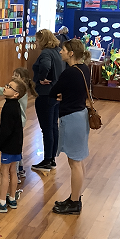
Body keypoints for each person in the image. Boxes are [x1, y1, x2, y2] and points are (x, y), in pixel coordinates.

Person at [49, 39, 91, 215]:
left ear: (71, 53)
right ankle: (76, 197)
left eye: (64, 49)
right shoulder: (85, 69)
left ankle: (74, 203)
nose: (61, 52)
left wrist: (60, 95)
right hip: (81, 115)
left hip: (72, 118)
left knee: (74, 162)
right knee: (78, 160)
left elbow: (53, 91)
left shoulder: (69, 72)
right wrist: (64, 95)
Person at [0, 77, 27, 213]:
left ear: (16, 94)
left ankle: (2, 202)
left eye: (9, 87)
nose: (5, 87)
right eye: (7, 85)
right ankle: (12, 198)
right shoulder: (16, 105)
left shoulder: (8, 107)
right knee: (13, 171)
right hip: (17, 144)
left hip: (9, 145)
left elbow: (5, 130)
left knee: (4, 172)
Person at [31, 29, 66, 173]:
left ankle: (46, 160)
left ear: (43, 40)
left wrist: (41, 78)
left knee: (46, 129)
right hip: (56, 93)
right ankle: (52, 159)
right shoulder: (58, 51)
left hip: (45, 94)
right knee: (53, 126)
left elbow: (45, 66)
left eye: (37, 40)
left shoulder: (46, 53)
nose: (36, 42)